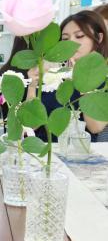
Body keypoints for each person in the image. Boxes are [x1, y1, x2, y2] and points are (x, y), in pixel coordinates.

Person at [28, 10, 108, 143]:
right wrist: (32, 85)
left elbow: (95, 127)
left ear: (99, 38)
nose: (71, 42)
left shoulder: (103, 78)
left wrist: (84, 80)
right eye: (65, 38)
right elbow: (31, 124)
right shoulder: (53, 74)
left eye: (79, 36)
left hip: (77, 152)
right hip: (42, 150)